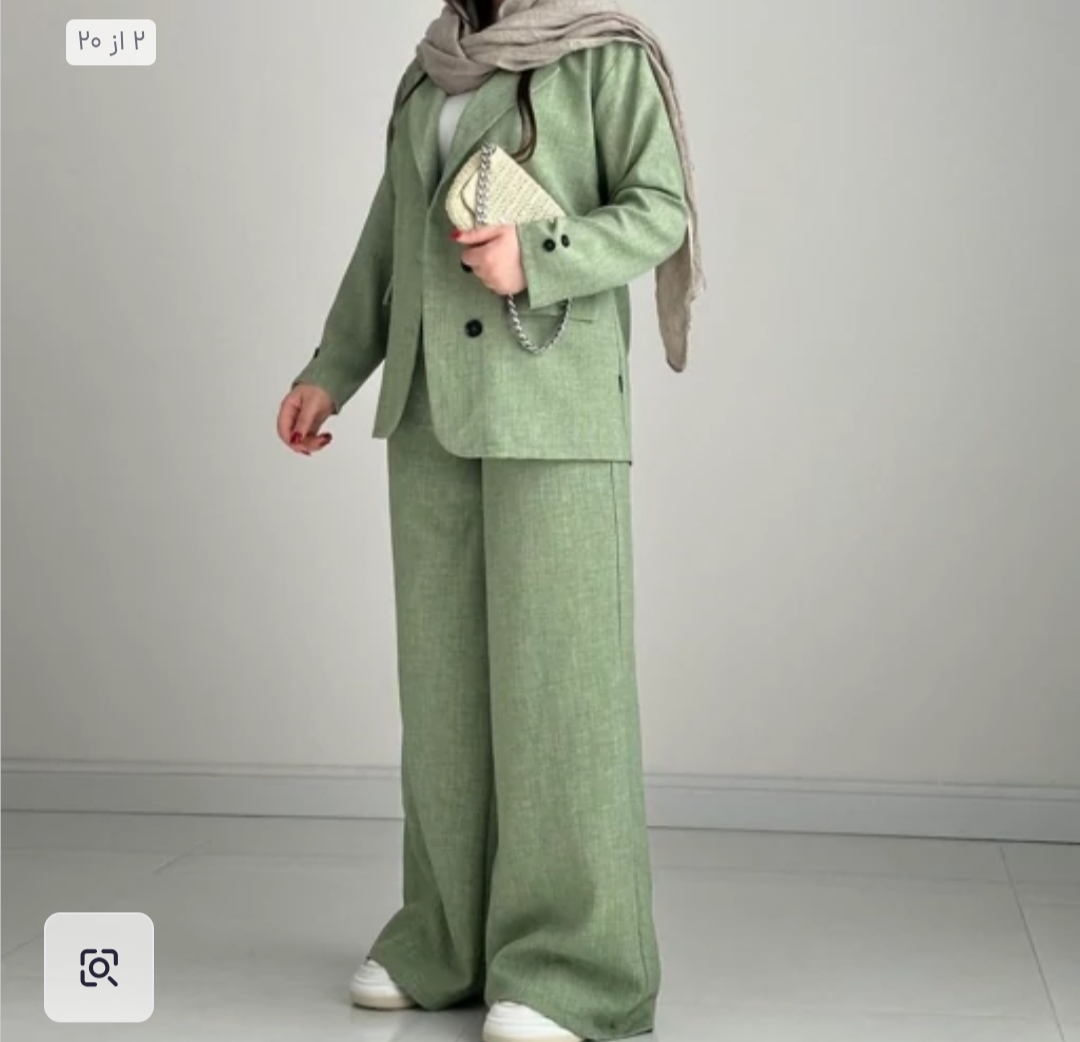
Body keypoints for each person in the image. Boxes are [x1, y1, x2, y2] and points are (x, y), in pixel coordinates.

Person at [275, 1, 701, 1039]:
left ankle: (574, 971)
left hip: (552, 404)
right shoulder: (432, 68)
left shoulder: (604, 56)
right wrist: (332, 369)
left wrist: (537, 252)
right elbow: (389, 234)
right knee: (444, 697)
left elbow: (661, 210)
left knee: (562, 697)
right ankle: (444, 940)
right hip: (429, 408)